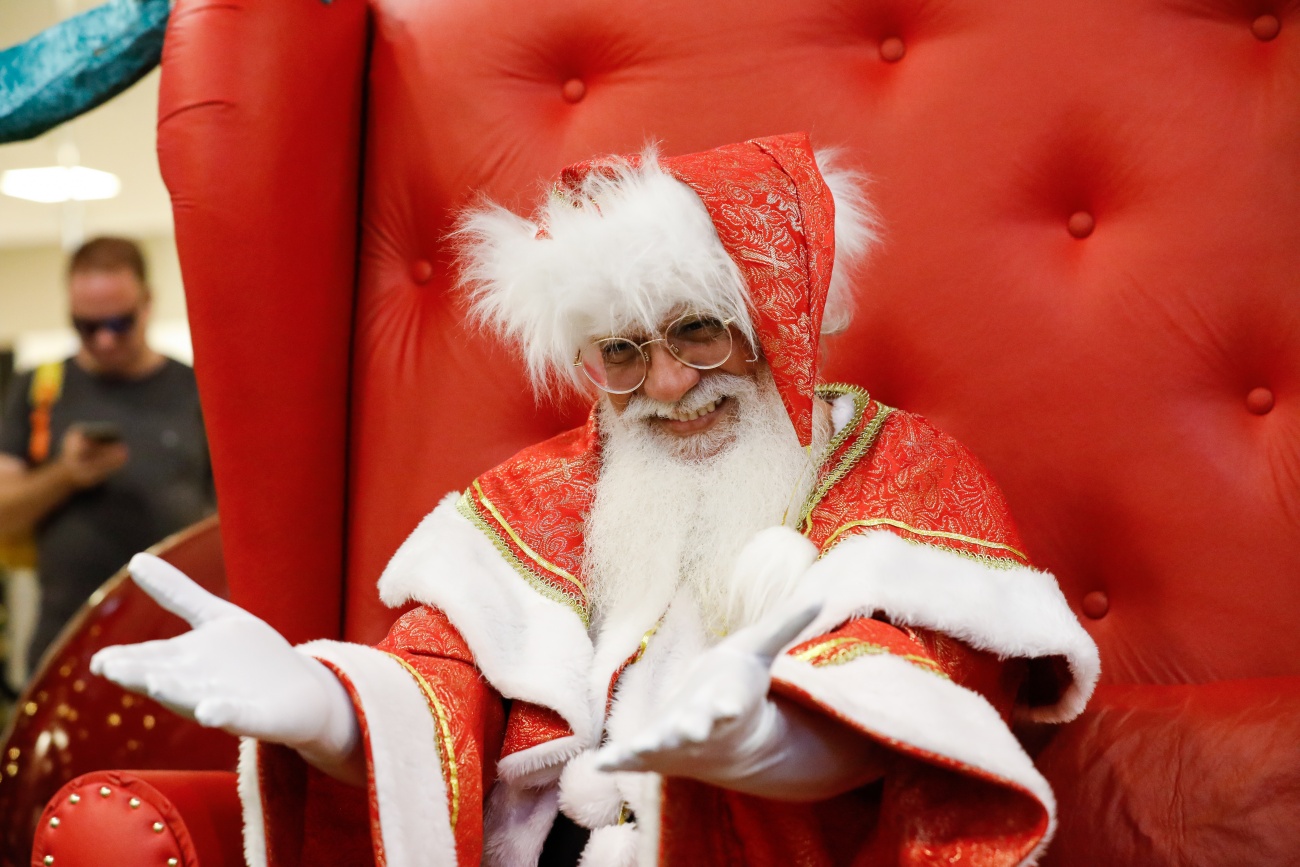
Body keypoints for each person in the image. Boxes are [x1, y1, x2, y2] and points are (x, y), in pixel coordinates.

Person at [92, 134, 1099, 867]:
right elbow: (433, 683)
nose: (664, 387)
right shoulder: (542, 493)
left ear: (776, 326)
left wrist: (764, 742)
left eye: (699, 333)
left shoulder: (899, 470)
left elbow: (926, 688)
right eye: (622, 353)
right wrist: (323, 711)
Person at [0, 236, 214, 669]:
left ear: (147, 303)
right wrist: (66, 474)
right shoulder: (39, 389)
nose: (103, 341)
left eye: (119, 323)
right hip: (66, 641)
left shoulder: (197, 389)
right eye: (86, 325)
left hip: (181, 642)